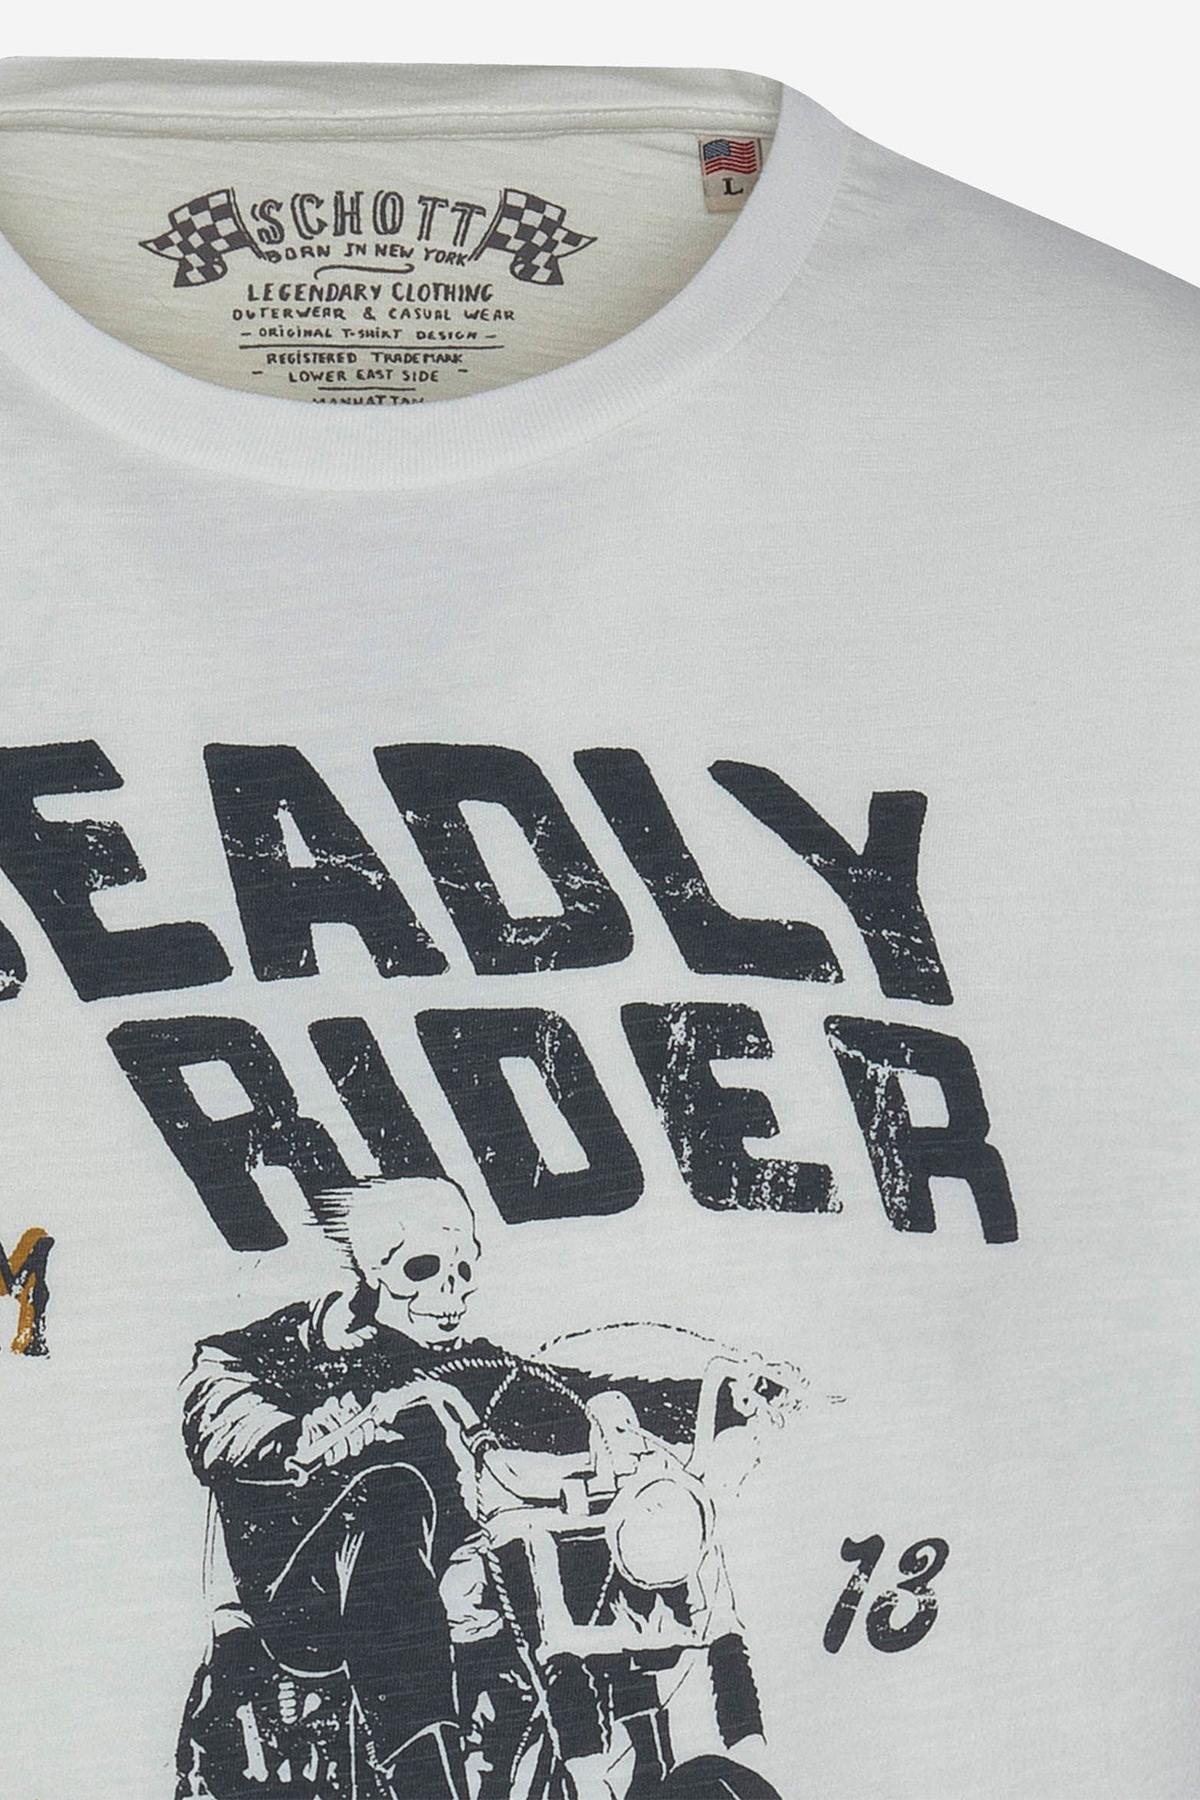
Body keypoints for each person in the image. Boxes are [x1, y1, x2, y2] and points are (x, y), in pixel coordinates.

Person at [176, 1175, 794, 1799]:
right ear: (372, 1271)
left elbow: (569, 1394)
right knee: (392, 1494)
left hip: (443, 1579)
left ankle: (642, 1762)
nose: (451, 1290)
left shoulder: (469, 1365)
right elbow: (215, 1402)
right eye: (422, 1268)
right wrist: (297, 1434)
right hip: (302, 1595)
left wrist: (720, 1399)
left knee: (597, 1530)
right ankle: (426, 1785)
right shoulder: (285, 1349)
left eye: (464, 1268)